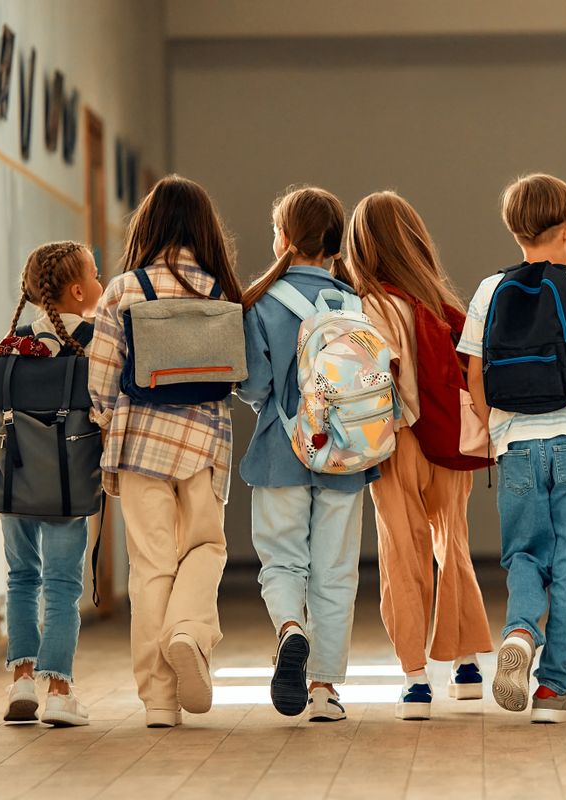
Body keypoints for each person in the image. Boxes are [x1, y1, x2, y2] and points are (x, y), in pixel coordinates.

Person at [87, 175, 244, 728]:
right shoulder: (219, 291)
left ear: (147, 225)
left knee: (151, 566)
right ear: (205, 229)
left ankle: (159, 701)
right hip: (203, 443)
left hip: (138, 445)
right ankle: (189, 632)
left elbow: (102, 380)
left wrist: (108, 420)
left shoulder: (123, 289)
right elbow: (237, 375)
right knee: (205, 547)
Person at [460, 173, 566, 724]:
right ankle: (552, 691)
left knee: (525, 555)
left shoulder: (488, 289)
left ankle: (521, 631)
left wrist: (497, 431)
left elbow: (474, 375)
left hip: (516, 447)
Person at [344, 190, 493, 720]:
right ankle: (468, 665)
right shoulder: (440, 301)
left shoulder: (367, 305)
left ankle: (415, 680)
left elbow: (372, 379)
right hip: (449, 438)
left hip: (394, 442)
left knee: (401, 554)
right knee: (453, 542)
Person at [238, 186, 378, 722]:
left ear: (284, 238)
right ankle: (323, 689)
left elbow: (253, 386)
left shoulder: (265, 302)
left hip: (281, 450)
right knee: (336, 571)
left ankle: (289, 631)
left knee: (282, 560)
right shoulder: (356, 303)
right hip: (345, 455)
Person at [0, 240, 102, 727]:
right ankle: (59, 691)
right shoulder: (93, 344)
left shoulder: (11, 347)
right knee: (60, 585)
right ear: (78, 291)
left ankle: (20, 681)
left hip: (13, 485)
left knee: (20, 579)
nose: (101, 280)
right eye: (96, 274)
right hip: (66, 489)